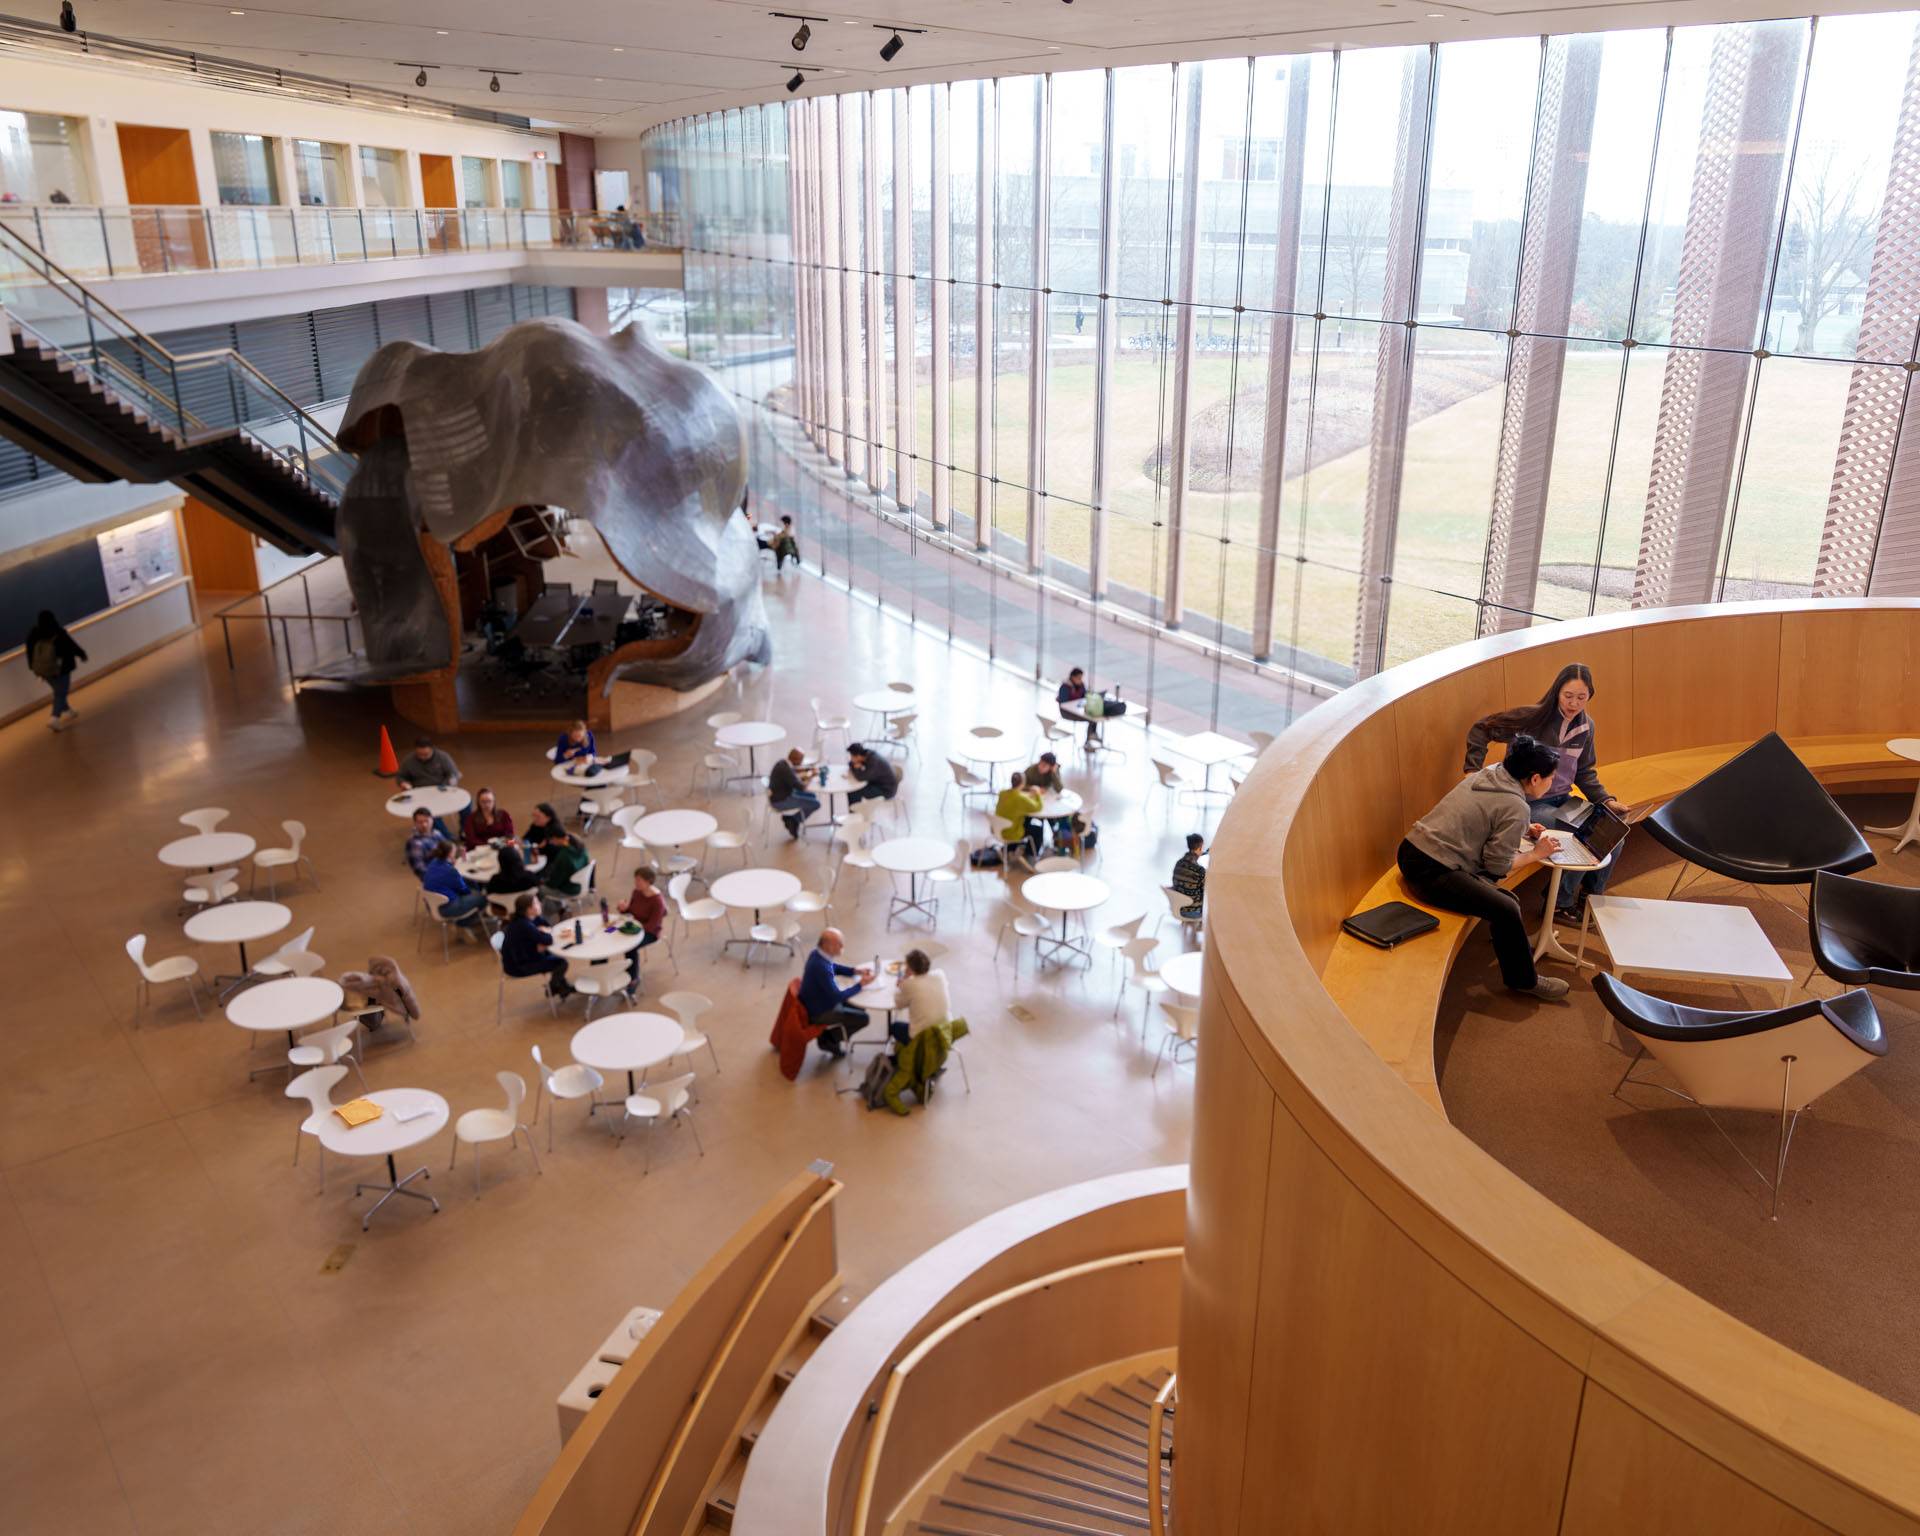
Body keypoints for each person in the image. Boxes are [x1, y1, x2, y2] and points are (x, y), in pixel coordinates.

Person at [1397, 734, 1571, 1002]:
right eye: (1551, 778)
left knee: (1507, 900)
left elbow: (1487, 814)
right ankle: (1524, 981)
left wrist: (1523, 829)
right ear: (1535, 778)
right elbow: (1498, 866)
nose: (1553, 783)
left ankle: (1509, 946)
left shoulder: (1492, 773)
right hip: (1430, 870)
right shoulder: (1516, 805)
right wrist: (1537, 854)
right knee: (1506, 907)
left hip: (1412, 849)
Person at [1464, 662, 1628, 925]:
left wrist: (1607, 800)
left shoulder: (1587, 727)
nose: (1574, 703)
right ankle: (1560, 905)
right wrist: (1473, 769)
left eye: (1581, 697)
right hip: (1530, 802)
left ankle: (1589, 899)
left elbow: (1585, 771)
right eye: (1568, 696)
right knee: (1582, 837)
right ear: (1556, 692)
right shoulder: (1533, 717)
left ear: (1590, 696)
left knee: (1613, 835)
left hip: (1563, 799)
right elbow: (1481, 729)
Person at [799, 927, 876, 1057]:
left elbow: (833, 967)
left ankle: (830, 1036)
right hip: (820, 1011)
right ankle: (829, 1039)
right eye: (838, 943)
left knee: (860, 1007)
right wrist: (860, 984)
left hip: (819, 1000)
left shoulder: (817, 954)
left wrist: (854, 971)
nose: (842, 946)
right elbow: (837, 997)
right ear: (826, 945)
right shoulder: (821, 967)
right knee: (864, 1018)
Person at [499, 892, 574, 998]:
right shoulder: (524, 925)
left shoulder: (529, 918)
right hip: (518, 966)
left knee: (554, 955)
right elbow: (548, 940)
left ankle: (562, 986)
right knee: (561, 963)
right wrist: (543, 934)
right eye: (536, 903)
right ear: (529, 909)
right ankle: (552, 988)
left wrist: (542, 933)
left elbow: (547, 927)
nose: (540, 904)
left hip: (522, 955)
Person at [25, 609, 86, 731]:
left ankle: (68, 710)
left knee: (59, 691)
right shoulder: (57, 631)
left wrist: (32, 667)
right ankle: (54, 718)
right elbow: (70, 645)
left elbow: (30, 652)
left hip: (43, 670)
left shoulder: (33, 634)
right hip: (61, 668)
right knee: (61, 692)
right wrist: (81, 654)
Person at [615, 862, 667, 994]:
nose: (636, 883)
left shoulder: (657, 901)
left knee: (630, 946)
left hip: (650, 933)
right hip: (634, 927)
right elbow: (631, 911)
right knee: (610, 933)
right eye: (635, 879)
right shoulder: (637, 892)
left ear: (648, 881)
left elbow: (652, 925)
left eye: (639, 880)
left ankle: (633, 978)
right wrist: (624, 909)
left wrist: (632, 927)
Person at [418, 841, 487, 928]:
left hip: (431, 904)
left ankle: (467, 917)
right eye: (454, 851)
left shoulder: (433, 862)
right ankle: (464, 922)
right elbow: (464, 890)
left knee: (471, 887)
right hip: (447, 908)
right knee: (482, 897)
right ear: (450, 854)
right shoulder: (450, 871)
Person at [896, 948, 951, 1035]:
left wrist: (904, 981)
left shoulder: (909, 984)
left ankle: (910, 1047)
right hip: (945, 1033)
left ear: (909, 968)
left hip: (923, 1039)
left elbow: (898, 1005)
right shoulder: (940, 974)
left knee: (895, 1027)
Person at [769, 747, 821, 838]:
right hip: (781, 800)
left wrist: (806, 770)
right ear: (795, 760)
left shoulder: (783, 763)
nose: (802, 763)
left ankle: (791, 819)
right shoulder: (786, 770)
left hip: (782, 793)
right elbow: (802, 787)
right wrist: (811, 776)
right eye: (801, 760)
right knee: (816, 804)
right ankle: (794, 820)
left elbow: (794, 772)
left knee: (812, 796)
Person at [994, 771, 1045, 859]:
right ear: (1023, 783)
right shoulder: (1020, 800)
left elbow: (1017, 799)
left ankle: (1013, 847)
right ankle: (1031, 854)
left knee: (1026, 819)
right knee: (1038, 829)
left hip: (998, 828)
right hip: (1011, 833)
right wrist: (1038, 794)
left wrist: (1028, 796)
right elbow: (1038, 807)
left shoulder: (1002, 793)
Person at [539, 828, 592, 899]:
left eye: (551, 840)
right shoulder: (579, 844)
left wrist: (543, 882)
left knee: (540, 889)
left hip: (570, 889)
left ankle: (556, 907)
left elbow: (554, 883)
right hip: (582, 883)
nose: (551, 843)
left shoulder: (563, 856)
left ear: (555, 838)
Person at [395, 735, 461, 790]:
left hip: (440, 788)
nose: (422, 757)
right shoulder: (408, 760)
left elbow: (453, 773)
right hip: (418, 790)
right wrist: (403, 783)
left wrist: (449, 783)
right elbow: (400, 776)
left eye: (426, 754)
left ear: (432, 749)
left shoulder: (443, 757)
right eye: (419, 754)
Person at [846, 742, 898, 807]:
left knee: (853, 793)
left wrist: (856, 769)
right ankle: (854, 810)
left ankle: (854, 814)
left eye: (852, 756)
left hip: (886, 790)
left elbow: (860, 777)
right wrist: (854, 765)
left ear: (858, 756)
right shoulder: (866, 754)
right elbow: (851, 763)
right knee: (855, 790)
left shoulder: (873, 762)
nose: (851, 759)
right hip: (878, 783)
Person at [1171, 832, 1207, 920]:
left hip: (1177, 908)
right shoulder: (1200, 870)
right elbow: (1205, 892)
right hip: (1192, 912)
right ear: (1200, 847)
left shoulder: (1178, 863)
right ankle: (1197, 928)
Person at [404, 807, 443, 878]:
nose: (424, 825)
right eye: (420, 822)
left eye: (427, 821)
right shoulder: (415, 843)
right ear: (415, 823)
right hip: (435, 878)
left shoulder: (437, 833)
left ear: (432, 820)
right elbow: (420, 869)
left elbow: (447, 850)